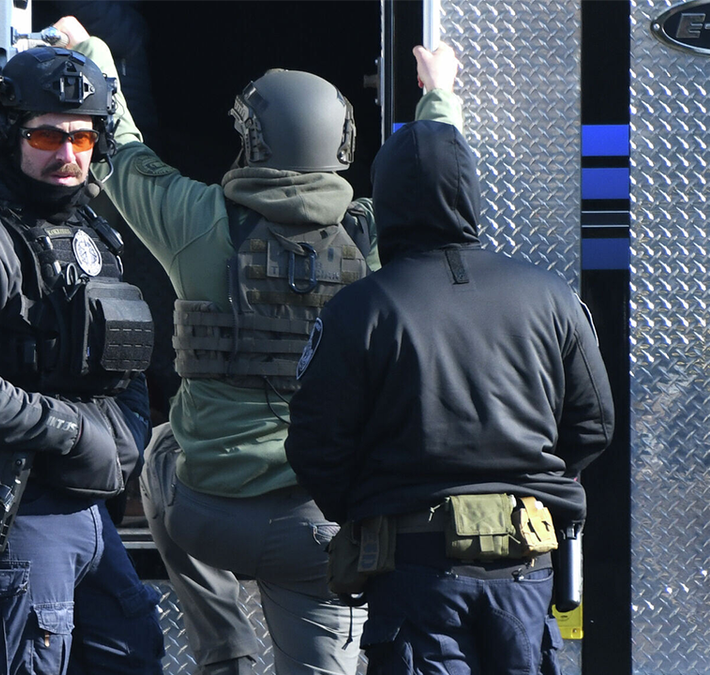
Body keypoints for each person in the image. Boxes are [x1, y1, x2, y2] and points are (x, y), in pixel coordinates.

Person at [60, 17, 463, 675]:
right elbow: (435, 178)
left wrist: (90, 50)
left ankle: (226, 651)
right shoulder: (377, 238)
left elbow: (119, 149)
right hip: (323, 533)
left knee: (164, 445)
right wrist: (438, 95)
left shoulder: (195, 219)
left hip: (208, 516)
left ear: (252, 143)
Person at [283, 47, 615, 675]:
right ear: (470, 192)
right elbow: (594, 424)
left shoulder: (359, 309)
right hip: (526, 572)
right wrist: (532, 481)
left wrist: (374, 507)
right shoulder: (552, 297)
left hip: (414, 573)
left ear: (386, 199)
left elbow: (316, 446)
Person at [0, 44, 164, 675]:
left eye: (84, 138)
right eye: (47, 136)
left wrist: (124, 436)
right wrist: (73, 432)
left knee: (133, 647)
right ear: (9, 133)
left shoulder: (87, 230)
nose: (68, 156)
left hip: (86, 512)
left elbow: (117, 360)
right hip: (10, 509)